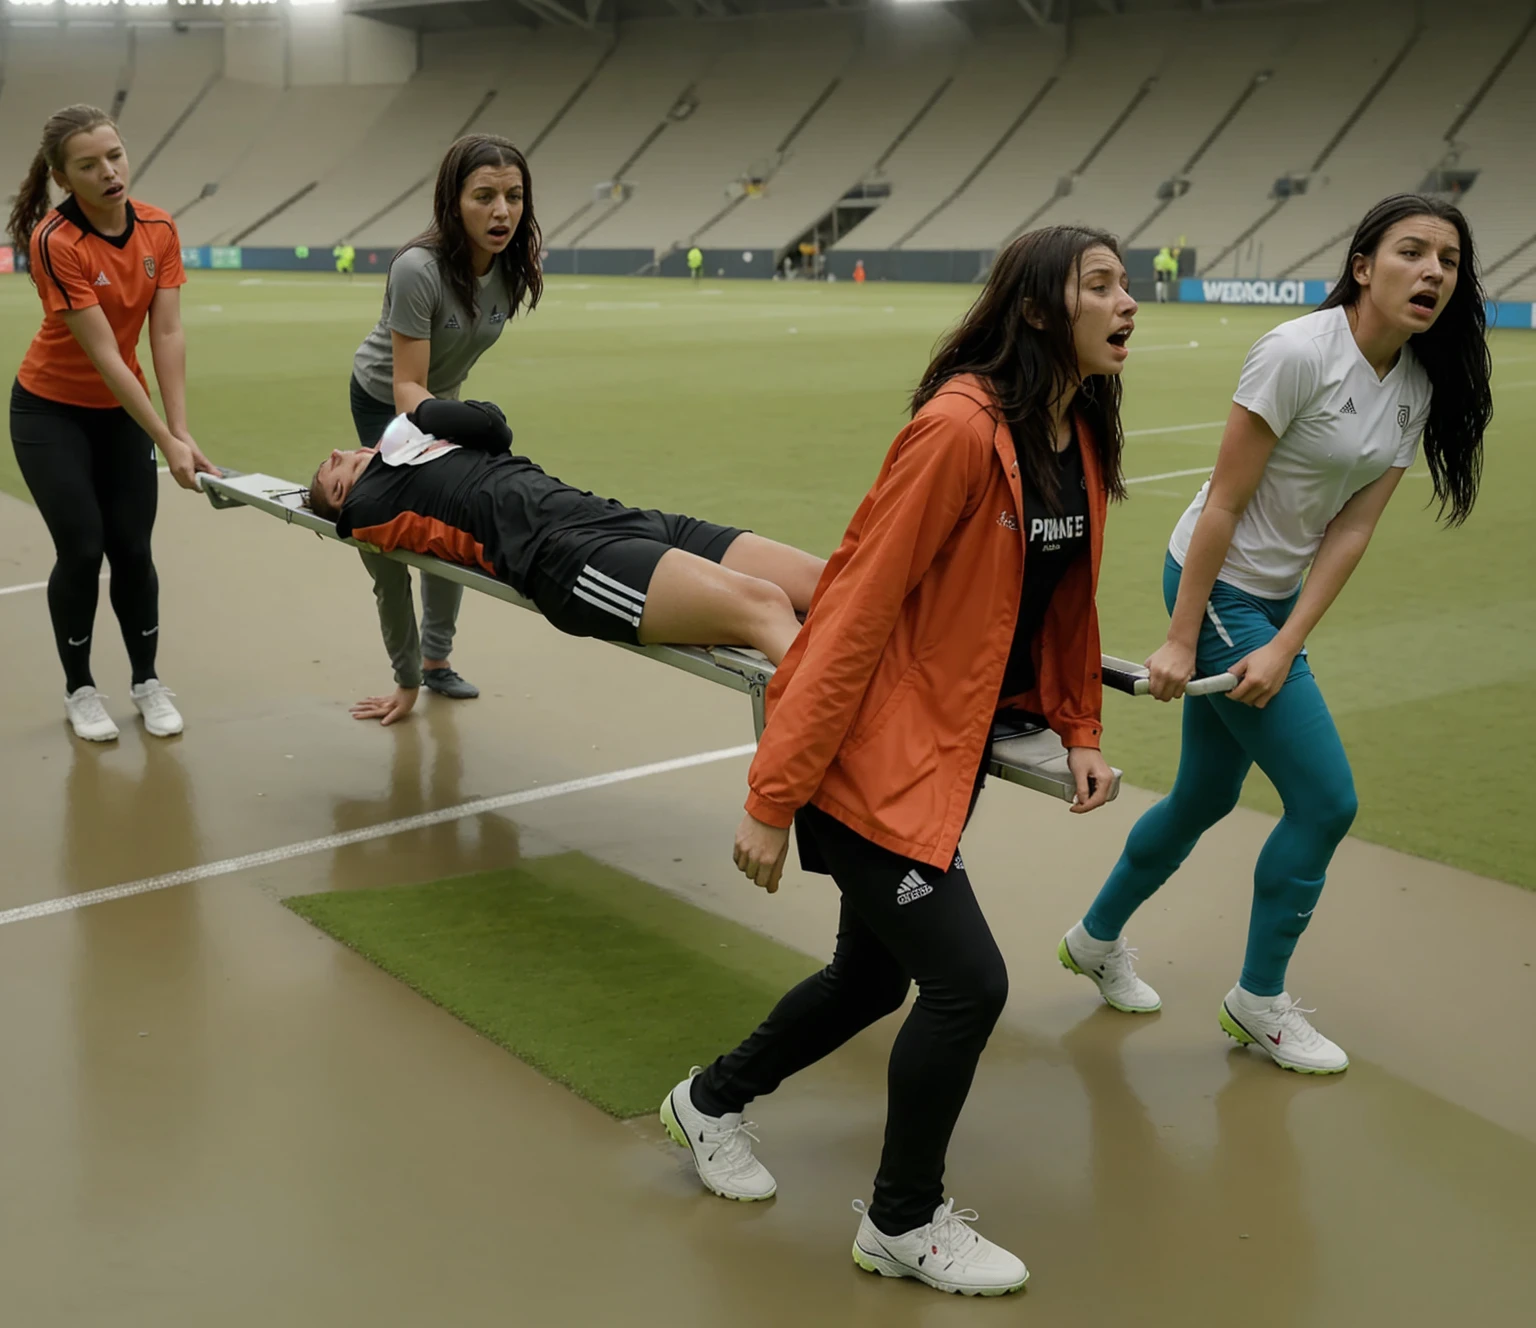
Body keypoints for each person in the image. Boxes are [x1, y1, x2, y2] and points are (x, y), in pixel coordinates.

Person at [660, 227, 1137, 1297]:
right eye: (1100, 284)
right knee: (969, 982)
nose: (1128, 300)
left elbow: (1068, 605)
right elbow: (852, 612)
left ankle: (710, 1100)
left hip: (941, 751)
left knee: (871, 976)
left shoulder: (1079, 435)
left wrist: (1082, 730)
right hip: (867, 755)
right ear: (1032, 310)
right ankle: (901, 1217)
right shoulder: (959, 432)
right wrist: (772, 795)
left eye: (1128, 281)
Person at [1059, 194, 1491, 1074]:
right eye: (1413, 252)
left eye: (1448, 260)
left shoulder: (1413, 385)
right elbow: (1221, 500)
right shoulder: (1298, 352)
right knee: (1328, 802)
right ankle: (1257, 1002)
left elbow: (1353, 529)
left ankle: (1094, 938)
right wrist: (1183, 640)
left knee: (1205, 798)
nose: (1434, 273)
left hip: (1269, 602)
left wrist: (1288, 637)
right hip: (1215, 588)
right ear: (1365, 266)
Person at [307, 397, 824, 665]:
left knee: (826, 581)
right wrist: (395, 439)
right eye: (332, 480)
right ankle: (848, 756)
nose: (335, 458)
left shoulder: (420, 444)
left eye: (336, 458)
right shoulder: (374, 504)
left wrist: (420, 414)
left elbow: (493, 426)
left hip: (611, 517)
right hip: (566, 558)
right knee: (766, 606)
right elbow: (356, 513)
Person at [8, 104, 218, 743]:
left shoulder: (158, 226)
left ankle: (147, 682)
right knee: (82, 547)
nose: (109, 171)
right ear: (62, 176)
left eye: (114, 155)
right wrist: (164, 438)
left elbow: (168, 331)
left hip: (121, 412)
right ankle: (80, 690)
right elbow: (104, 355)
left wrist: (178, 432)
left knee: (132, 548)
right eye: (88, 164)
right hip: (51, 412)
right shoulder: (56, 239)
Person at [347, 133, 542, 727]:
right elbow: (408, 389)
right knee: (386, 545)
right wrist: (471, 428)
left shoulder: (512, 268)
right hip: (387, 401)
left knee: (451, 532)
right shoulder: (417, 269)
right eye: (484, 196)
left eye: (513, 195)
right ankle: (405, 678)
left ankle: (438, 660)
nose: (501, 211)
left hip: (442, 399)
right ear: (453, 202)